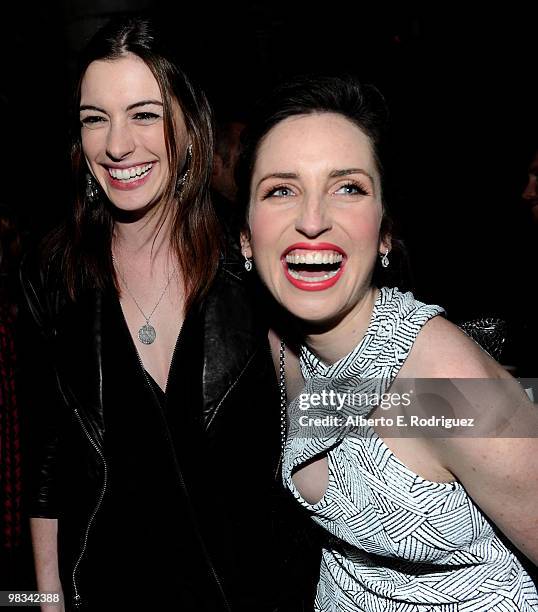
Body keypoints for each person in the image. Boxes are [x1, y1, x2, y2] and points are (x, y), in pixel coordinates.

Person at [18, 17, 314, 611]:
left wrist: (488, 414)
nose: (117, 144)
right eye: (94, 119)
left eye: (144, 114)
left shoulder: (251, 264)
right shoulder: (54, 275)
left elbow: (331, 408)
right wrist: (43, 602)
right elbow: (46, 459)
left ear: (188, 121)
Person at [237, 75, 538, 611]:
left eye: (348, 187)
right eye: (282, 189)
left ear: (384, 234)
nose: (312, 220)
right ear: (245, 237)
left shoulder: (440, 386)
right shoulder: (283, 346)